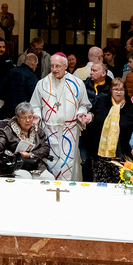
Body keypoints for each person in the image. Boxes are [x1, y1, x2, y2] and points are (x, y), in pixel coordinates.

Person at [31, 53, 92, 181]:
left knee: (68, 164)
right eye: (52, 66)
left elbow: (84, 104)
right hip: (49, 130)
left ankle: (68, 188)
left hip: (70, 131)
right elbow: (35, 105)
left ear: (65, 66)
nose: (54, 69)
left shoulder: (77, 83)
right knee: (51, 161)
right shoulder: (42, 84)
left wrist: (80, 113)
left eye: (58, 66)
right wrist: (37, 115)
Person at [86, 79, 133, 182]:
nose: (118, 92)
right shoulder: (101, 102)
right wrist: (90, 116)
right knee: (101, 183)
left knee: (119, 183)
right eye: (115, 89)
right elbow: (93, 116)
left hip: (121, 154)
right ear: (111, 90)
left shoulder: (131, 108)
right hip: (100, 153)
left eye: (121, 89)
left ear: (125, 91)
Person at [0, 103, 53, 179]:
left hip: (35, 165)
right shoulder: (9, 131)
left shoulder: (38, 131)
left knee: (49, 178)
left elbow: (45, 148)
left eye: (30, 117)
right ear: (18, 118)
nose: (28, 120)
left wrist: (30, 154)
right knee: (25, 178)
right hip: (16, 165)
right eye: (24, 117)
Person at [0, 53, 39, 121]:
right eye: (36, 64)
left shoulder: (11, 71)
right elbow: (34, 96)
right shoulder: (31, 76)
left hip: (9, 110)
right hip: (24, 111)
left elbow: (0, 89)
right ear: (33, 63)